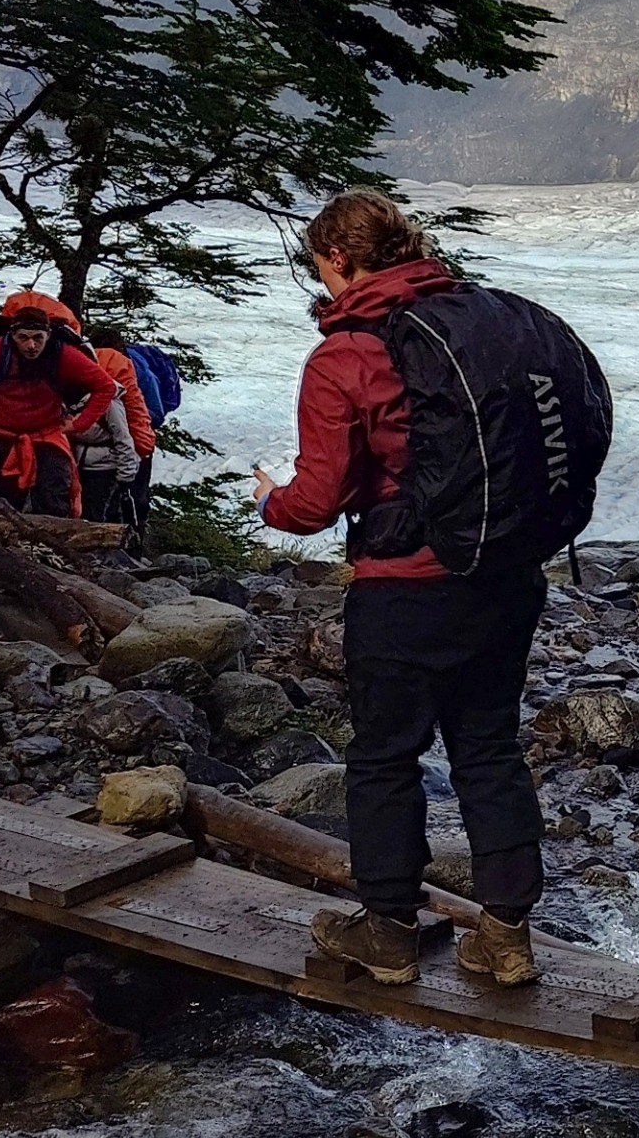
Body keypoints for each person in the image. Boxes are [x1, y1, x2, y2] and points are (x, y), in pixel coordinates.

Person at [255, 188, 613, 991]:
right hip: (505, 576)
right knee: (489, 748)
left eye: (321, 263)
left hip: (405, 589)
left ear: (339, 259)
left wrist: (268, 501)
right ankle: (506, 937)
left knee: (385, 757)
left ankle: (386, 932)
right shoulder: (479, 322)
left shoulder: (347, 356)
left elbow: (315, 502)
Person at [0, 290, 118, 516]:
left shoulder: (64, 355)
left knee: (54, 501)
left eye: (38, 338)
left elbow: (105, 386)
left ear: (48, 336)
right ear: (12, 335)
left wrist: (79, 425)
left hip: (47, 437)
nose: (31, 345)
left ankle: (50, 546)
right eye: (23, 338)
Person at [73, 315, 157, 535]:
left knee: (86, 506)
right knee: (127, 501)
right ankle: (130, 547)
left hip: (83, 456)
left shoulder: (76, 368)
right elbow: (154, 409)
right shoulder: (136, 369)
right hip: (126, 450)